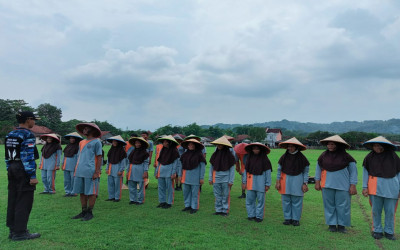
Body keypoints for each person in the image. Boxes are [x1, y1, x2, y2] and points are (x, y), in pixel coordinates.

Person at [5, 111, 41, 241]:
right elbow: (27, 156)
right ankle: (20, 233)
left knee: (13, 198)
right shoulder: (27, 134)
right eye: (34, 120)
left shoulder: (11, 134)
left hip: (12, 168)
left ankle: (13, 230)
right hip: (23, 169)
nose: (34, 122)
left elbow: (8, 155)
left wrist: (10, 169)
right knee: (24, 201)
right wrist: (32, 175)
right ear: (28, 120)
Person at [314, 135, 357, 233]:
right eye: (328, 144)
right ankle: (332, 225)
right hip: (326, 185)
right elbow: (318, 170)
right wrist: (317, 182)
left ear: (338, 145)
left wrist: (353, 185)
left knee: (343, 206)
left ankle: (342, 226)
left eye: (332, 144)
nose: (329, 146)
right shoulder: (323, 156)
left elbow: (353, 172)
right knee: (329, 205)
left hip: (343, 186)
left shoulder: (347, 157)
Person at [362, 136, 400, 240]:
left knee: (390, 212)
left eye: (379, 145)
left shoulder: (394, 157)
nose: (376, 147)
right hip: (375, 187)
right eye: (374, 145)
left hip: (392, 188)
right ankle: (377, 230)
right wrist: (365, 187)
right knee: (376, 210)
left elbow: (399, 174)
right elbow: (365, 172)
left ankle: (389, 232)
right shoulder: (369, 157)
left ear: (384, 146)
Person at [71, 122, 102, 221]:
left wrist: (97, 171)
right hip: (79, 170)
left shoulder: (97, 142)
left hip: (90, 170)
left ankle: (90, 212)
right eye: (83, 129)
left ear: (92, 130)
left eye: (86, 128)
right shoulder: (81, 142)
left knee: (91, 192)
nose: (84, 130)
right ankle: (83, 211)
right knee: (82, 191)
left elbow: (99, 157)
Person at [275, 137, 310, 226]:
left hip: (298, 180)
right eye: (288, 146)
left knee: (297, 200)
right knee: (286, 200)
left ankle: (296, 219)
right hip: (285, 180)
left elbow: (306, 171)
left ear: (296, 147)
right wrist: (278, 181)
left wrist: (305, 183)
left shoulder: (302, 158)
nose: (289, 148)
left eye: (291, 146)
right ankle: (287, 218)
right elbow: (279, 170)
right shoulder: (284, 157)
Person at [242, 143, 272, 223]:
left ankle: (259, 216)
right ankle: (251, 215)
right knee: (249, 200)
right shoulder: (249, 159)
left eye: (257, 149)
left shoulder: (265, 159)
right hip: (250, 182)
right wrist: (244, 182)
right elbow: (245, 171)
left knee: (260, 201)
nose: (255, 150)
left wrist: (267, 184)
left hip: (261, 183)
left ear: (260, 150)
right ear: (252, 150)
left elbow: (268, 172)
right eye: (254, 149)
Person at [209, 136, 236, 216]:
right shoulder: (215, 155)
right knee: (217, 195)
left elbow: (232, 169)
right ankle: (218, 210)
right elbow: (211, 167)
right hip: (216, 178)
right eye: (218, 145)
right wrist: (211, 178)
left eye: (221, 145)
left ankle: (225, 210)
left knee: (225, 195)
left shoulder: (230, 155)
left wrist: (231, 180)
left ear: (225, 145)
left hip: (226, 178)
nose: (219, 146)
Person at [178, 139, 207, 214]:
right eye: (189, 145)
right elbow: (180, 166)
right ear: (187, 146)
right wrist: (180, 175)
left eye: (192, 145)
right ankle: (187, 205)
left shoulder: (199, 154)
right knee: (186, 192)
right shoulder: (184, 154)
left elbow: (203, 167)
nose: (191, 146)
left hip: (195, 177)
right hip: (185, 176)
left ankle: (194, 207)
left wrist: (201, 178)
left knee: (195, 193)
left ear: (195, 146)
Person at [155, 135, 180, 209]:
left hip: (169, 170)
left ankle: (169, 202)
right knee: (161, 187)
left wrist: (173, 172)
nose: (164, 143)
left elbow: (176, 163)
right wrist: (157, 171)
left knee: (169, 187)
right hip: (161, 170)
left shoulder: (174, 150)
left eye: (166, 142)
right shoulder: (162, 150)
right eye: (163, 141)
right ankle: (162, 201)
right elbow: (159, 161)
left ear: (169, 142)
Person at [126, 136, 150, 205]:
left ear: (141, 144)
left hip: (140, 168)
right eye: (136, 143)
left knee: (141, 185)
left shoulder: (145, 153)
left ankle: (140, 200)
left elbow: (146, 162)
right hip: (132, 168)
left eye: (139, 143)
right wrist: (127, 171)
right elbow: (129, 161)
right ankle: (133, 199)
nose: (137, 144)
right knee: (131, 185)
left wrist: (145, 171)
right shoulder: (133, 151)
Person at [105, 135, 127, 202]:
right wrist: (107, 168)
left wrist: (121, 170)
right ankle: (111, 197)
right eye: (113, 142)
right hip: (111, 168)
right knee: (110, 183)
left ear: (118, 143)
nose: (114, 143)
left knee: (117, 184)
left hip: (118, 168)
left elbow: (123, 162)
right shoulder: (111, 150)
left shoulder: (122, 152)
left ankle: (117, 197)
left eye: (115, 142)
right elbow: (108, 160)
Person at [62, 132, 83, 197]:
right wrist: (62, 164)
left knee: (73, 179)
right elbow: (64, 156)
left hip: (73, 166)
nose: (72, 140)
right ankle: (67, 191)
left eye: (73, 138)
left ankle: (74, 192)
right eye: (71, 138)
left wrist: (77, 166)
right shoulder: (68, 146)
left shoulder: (78, 147)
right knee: (66, 180)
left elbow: (78, 157)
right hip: (66, 165)